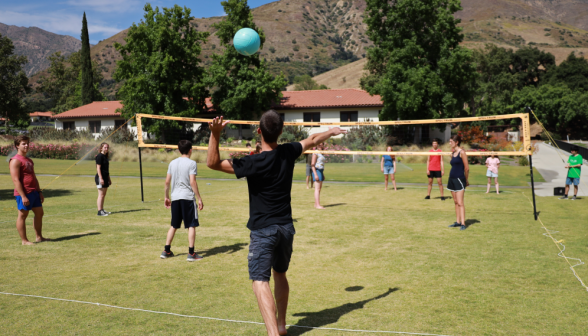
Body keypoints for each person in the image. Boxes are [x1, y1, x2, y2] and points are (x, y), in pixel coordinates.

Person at [206, 110, 346, 336]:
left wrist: (215, 134)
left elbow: (212, 163)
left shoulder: (254, 161)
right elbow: (312, 140)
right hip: (286, 229)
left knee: (259, 281)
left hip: (264, 231)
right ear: (281, 132)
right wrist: (332, 131)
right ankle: (281, 326)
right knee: (279, 274)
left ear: (259, 131)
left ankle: (274, 333)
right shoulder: (288, 152)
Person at [161, 140, 204, 262]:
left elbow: (167, 182)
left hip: (175, 198)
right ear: (191, 150)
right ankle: (191, 253)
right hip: (187, 198)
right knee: (191, 225)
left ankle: (166, 250)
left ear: (179, 150)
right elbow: (192, 182)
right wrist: (199, 198)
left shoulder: (172, 163)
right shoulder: (192, 163)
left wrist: (166, 196)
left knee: (174, 225)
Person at [9, 135, 50, 245]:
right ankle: (24, 240)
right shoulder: (15, 161)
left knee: (39, 213)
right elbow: (16, 180)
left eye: (28, 143)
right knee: (22, 216)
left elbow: (33, 177)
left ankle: (39, 237)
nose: (27, 145)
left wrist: (39, 191)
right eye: (24, 143)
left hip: (34, 192)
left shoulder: (29, 160)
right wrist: (23, 196)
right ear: (17, 146)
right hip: (24, 193)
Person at [446, 135, 469, 231]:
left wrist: (466, 180)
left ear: (456, 142)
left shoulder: (462, 152)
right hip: (451, 179)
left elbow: (466, 168)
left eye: (451, 141)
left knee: (460, 202)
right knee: (455, 202)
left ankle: (463, 223)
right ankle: (458, 222)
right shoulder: (452, 153)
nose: (449, 143)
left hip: (460, 179)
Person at [95, 142, 112, 216]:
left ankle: (102, 210)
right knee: (101, 195)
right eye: (105, 147)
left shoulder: (105, 156)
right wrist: (101, 178)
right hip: (100, 177)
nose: (106, 149)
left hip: (105, 177)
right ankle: (99, 211)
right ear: (101, 148)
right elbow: (98, 168)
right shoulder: (100, 156)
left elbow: (106, 169)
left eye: (107, 147)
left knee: (104, 194)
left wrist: (109, 179)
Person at [311, 143, 327, 209]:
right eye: (319, 144)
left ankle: (316, 204)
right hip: (317, 170)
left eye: (321, 144)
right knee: (317, 189)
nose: (320, 145)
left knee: (319, 189)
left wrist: (322, 174)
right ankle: (318, 205)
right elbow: (312, 164)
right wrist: (315, 174)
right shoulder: (315, 153)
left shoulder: (321, 153)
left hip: (321, 171)